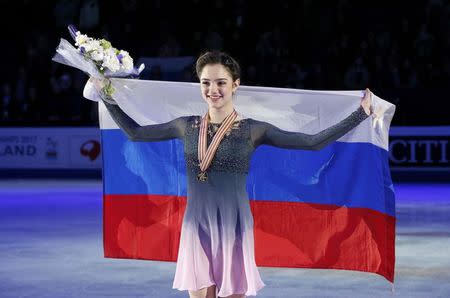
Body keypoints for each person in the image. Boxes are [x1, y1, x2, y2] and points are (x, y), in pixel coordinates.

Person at [91, 50, 372, 298]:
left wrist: (359, 115)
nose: (213, 89)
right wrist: (106, 96)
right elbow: (136, 133)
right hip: (196, 226)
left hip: (233, 227)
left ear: (235, 85)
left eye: (221, 82)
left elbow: (313, 142)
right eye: (206, 82)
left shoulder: (254, 130)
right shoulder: (184, 126)